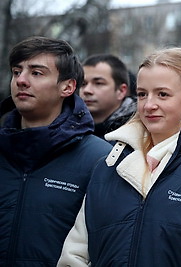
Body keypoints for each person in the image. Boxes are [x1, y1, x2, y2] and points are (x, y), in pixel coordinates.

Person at [58, 47, 181, 266]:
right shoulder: (108, 165)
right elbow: (75, 255)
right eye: (142, 94)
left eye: (163, 94)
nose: (149, 105)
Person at [0, 36, 112, 266]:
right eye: (16, 71)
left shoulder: (100, 159)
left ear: (68, 87)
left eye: (36, 73)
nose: (21, 80)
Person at [80, 54, 137, 139]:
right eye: (83, 84)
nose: (87, 90)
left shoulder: (139, 132)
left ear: (121, 91)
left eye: (98, 83)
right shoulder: (68, 130)